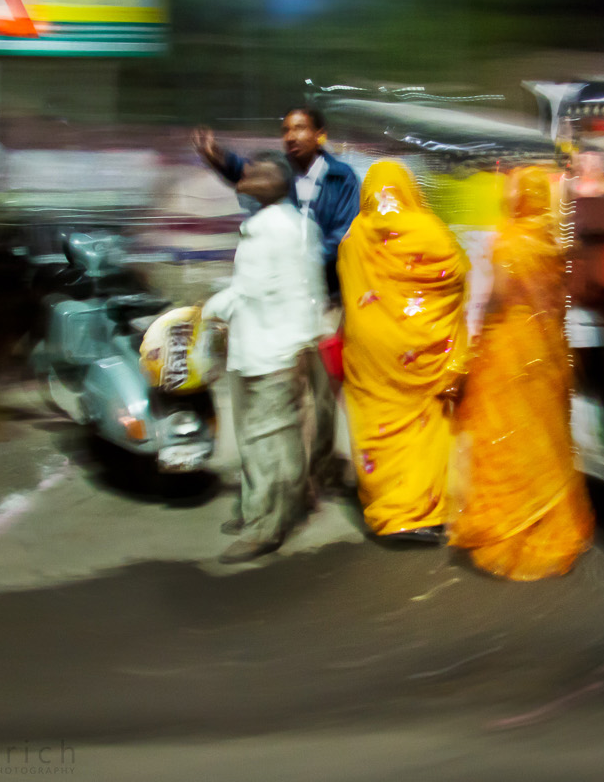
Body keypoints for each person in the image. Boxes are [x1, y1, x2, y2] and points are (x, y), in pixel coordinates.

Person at [449, 166, 594, 580]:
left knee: (504, 434)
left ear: (516, 197)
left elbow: (495, 296)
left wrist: (476, 332)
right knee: (542, 437)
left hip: (509, 347)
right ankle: (545, 522)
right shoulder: (551, 241)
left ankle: (507, 529)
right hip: (545, 347)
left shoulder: (508, 241)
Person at [201, 152, 328, 563]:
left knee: (265, 442)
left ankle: (264, 528)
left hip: (268, 352)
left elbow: (247, 292)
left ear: (277, 181)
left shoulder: (268, 229)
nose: (246, 176)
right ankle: (273, 507)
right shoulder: (295, 224)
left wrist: (206, 310)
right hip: (277, 347)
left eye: (256, 172)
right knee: (275, 437)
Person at [337, 160, 469, 544]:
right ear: (409, 189)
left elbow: (350, 288)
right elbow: (455, 275)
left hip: (372, 353)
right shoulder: (428, 231)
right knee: (425, 429)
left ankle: (391, 514)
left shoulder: (353, 237)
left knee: (379, 426)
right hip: (424, 348)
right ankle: (423, 512)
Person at [193, 107, 360, 302]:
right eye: (286, 131)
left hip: (327, 290)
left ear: (320, 135)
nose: (290, 137)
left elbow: (344, 232)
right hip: (283, 290)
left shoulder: (341, 177)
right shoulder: (279, 171)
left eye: (299, 128)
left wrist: (302, 261)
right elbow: (246, 171)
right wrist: (217, 155)